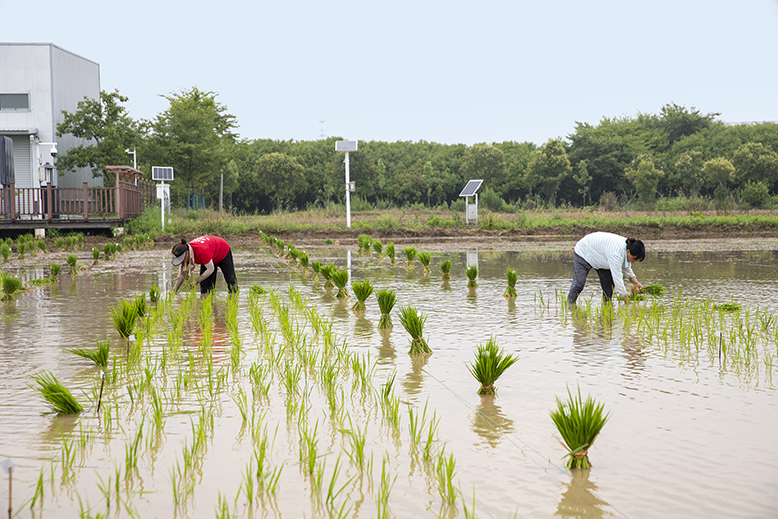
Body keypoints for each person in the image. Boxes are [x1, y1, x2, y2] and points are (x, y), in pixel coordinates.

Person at [567, 232, 644, 305]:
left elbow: (626, 268)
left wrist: (636, 283)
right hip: (584, 251)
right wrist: (627, 301)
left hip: (601, 256)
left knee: (609, 286)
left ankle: (606, 308)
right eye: (634, 258)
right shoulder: (616, 254)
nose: (634, 261)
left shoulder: (627, 247)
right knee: (579, 284)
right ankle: (569, 305)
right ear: (628, 251)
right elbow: (618, 279)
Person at [171, 236, 238, 294]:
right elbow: (182, 274)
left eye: (182, 259)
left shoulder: (202, 250)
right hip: (209, 255)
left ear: (187, 252)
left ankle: (234, 297)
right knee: (205, 288)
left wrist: (197, 281)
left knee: (231, 281)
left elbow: (210, 269)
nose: (182, 261)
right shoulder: (187, 254)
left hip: (222, 251)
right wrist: (174, 290)